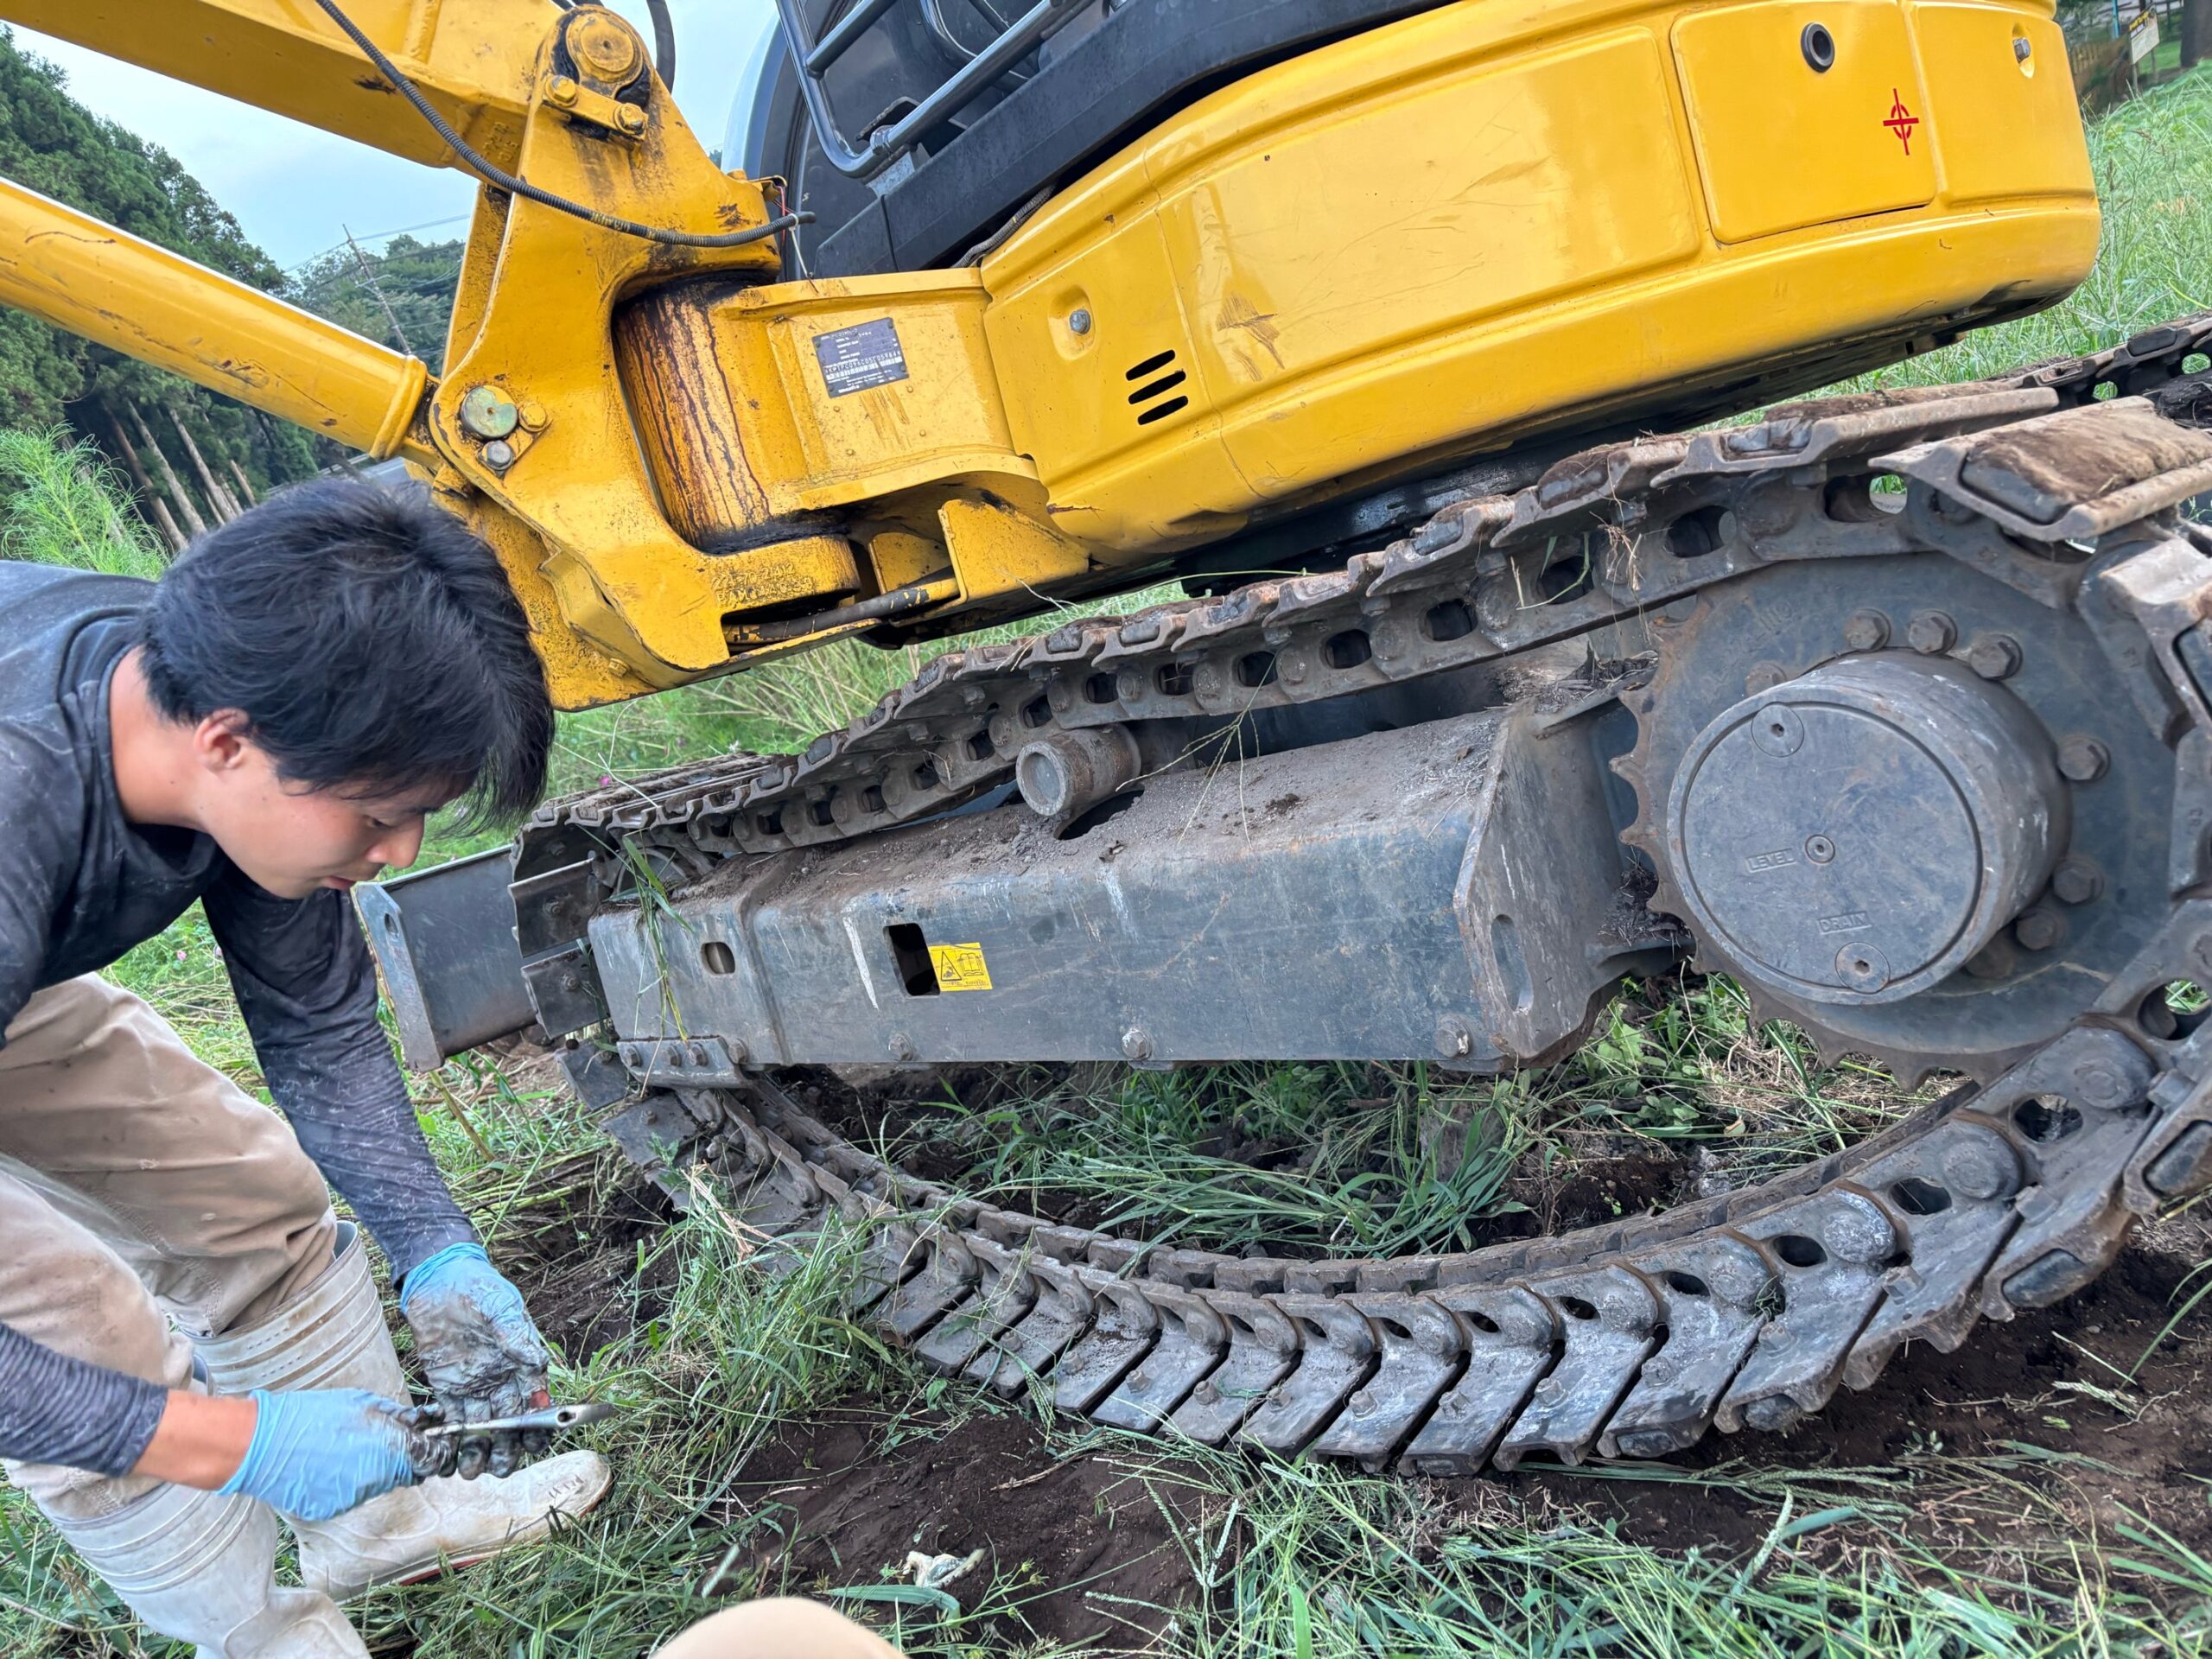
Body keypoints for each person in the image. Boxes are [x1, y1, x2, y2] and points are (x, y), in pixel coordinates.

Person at [0, 479, 611, 1656]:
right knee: (81, 1331)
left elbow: (321, 1032)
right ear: (225, 743)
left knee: (252, 1205)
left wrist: (435, 1248)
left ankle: (383, 1528)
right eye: (379, 816)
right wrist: (234, 1442)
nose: (400, 852)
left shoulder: (257, 692)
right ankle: (267, 1640)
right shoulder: (26, 786)